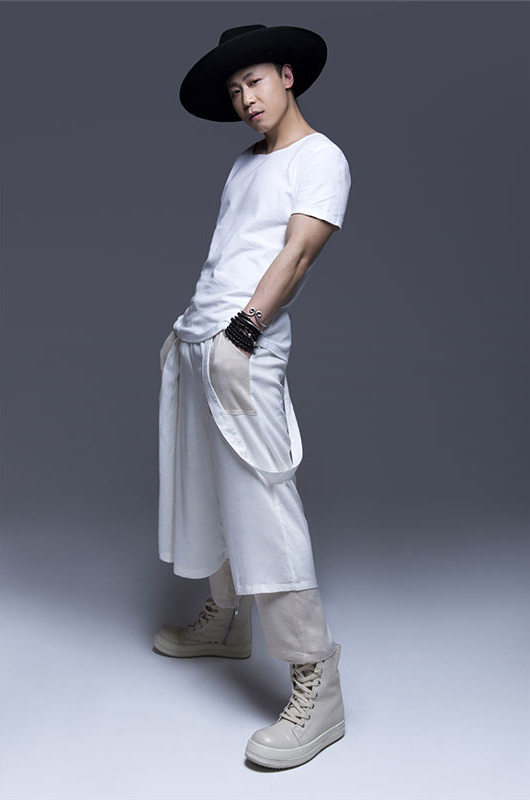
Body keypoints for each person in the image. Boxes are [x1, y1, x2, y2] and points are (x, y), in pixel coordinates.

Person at [154, 24, 352, 769]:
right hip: (199, 335)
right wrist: (191, 330)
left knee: (264, 501)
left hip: (245, 342)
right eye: (235, 90)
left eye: (255, 82)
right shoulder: (244, 165)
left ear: (288, 76)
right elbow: (229, 255)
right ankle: (227, 619)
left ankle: (316, 682)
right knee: (204, 486)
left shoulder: (320, 157)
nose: (246, 99)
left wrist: (241, 334)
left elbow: (296, 253)